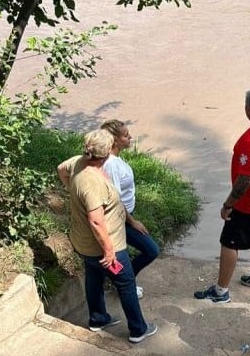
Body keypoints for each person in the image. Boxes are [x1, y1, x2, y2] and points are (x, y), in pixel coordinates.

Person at [56, 130, 157, 344]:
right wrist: (109, 250)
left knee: (94, 276)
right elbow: (95, 220)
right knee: (126, 284)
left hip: (84, 243)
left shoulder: (77, 162)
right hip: (106, 247)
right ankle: (138, 329)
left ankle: (98, 319)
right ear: (106, 154)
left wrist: (71, 191)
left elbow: (60, 169)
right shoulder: (92, 182)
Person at [194, 88, 250, 303]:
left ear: (248, 109)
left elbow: (244, 181)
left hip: (249, 205)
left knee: (229, 243)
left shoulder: (249, 142)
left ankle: (221, 291)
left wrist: (228, 204)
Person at [100, 119, 160, 299]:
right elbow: (115, 199)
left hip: (124, 216)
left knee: (123, 254)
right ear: (115, 140)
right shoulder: (110, 164)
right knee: (151, 250)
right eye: (126, 135)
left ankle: (122, 281)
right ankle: (124, 282)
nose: (130, 137)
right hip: (119, 219)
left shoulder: (115, 160)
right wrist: (132, 222)